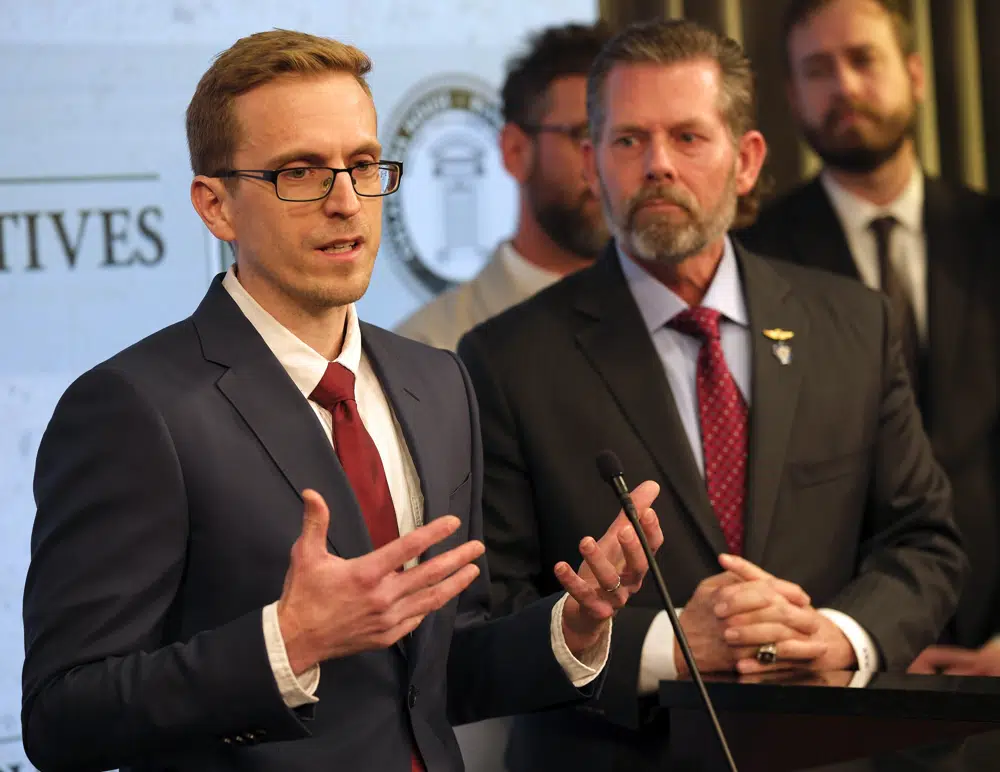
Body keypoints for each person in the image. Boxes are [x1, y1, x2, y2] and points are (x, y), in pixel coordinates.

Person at [20, 30, 666, 772]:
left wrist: (574, 628)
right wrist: (288, 644)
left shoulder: (438, 382)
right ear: (215, 206)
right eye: (300, 171)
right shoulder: (134, 409)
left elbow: (435, 671)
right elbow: (62, 715)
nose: (344, 202)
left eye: (362, 165)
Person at [457, 19, 966, 772]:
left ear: (748, 159)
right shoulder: (506, 359)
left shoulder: (853, 325)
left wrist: (838, 635)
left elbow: (924, 542)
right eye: (628, 141)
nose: (658, 165)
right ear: (594, 163)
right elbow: (482, 629)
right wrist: (665, 644)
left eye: (688, 137)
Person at [737, 0, 1000, 667]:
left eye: (863, 60)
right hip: (837, 660)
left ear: (914, 73)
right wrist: (868, 637)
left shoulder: (991, 235)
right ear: (792, 98)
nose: (845, 87)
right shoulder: (755, 260)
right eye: (818, 70)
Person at [396, 22, 611, 350]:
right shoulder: (433, 349)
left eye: (624, 140)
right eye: (583, 135)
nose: (603, 163)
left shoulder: (676, 322)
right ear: (515, 151)